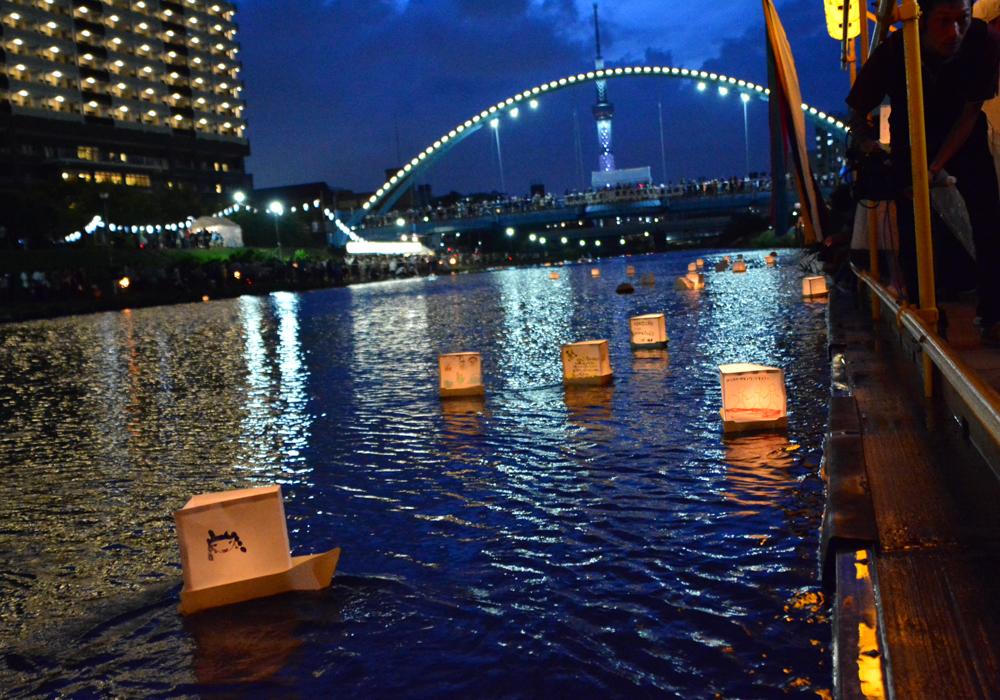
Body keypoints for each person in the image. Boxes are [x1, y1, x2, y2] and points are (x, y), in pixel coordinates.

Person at [846, 0, 1000, 340]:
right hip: (911, 137)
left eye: (962, 20)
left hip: (964, 132)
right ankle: (926, 317)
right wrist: (869, 144)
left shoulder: (985, 40)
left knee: (990, 218)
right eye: (943, 22)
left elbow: (971, 112)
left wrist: (934, 167)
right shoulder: (894, 49)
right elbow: (857, 113)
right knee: (913, 225)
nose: (954, 32)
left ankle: (994, 312)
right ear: (922, 20)